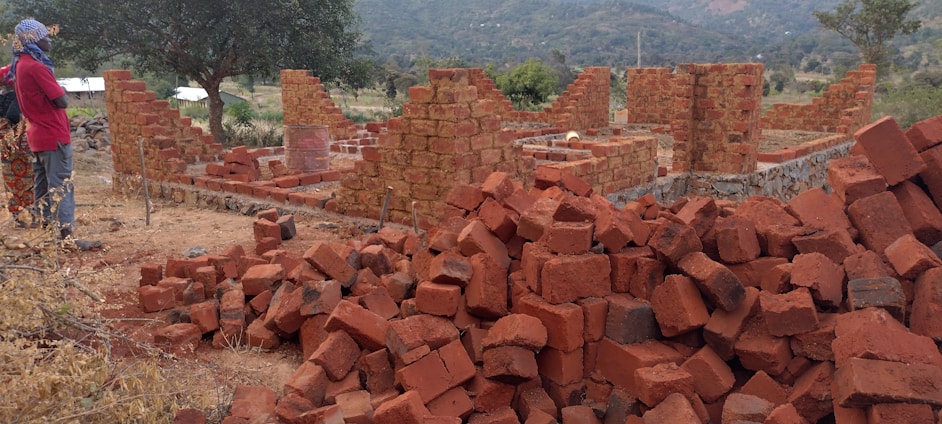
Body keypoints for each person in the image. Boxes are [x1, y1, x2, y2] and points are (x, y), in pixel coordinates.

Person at [11, 19, 74, 239]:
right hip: (53, 133)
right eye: (44, 36)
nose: (49, 40)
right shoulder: (37, 67)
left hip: (36, 136)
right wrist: (62, 89)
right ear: (34, 40)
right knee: (61, 185)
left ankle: (46, 229)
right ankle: (65, 235)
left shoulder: (20, 65)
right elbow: (61, 101)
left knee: (43, 185)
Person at [0, 64, 33, 228]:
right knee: (29, 179)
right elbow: (13, 116)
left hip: (5, 147)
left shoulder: (1, 97)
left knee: (11, 181)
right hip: (21, 146)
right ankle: (32, 215)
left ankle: (17, 215)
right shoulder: (17, 97)